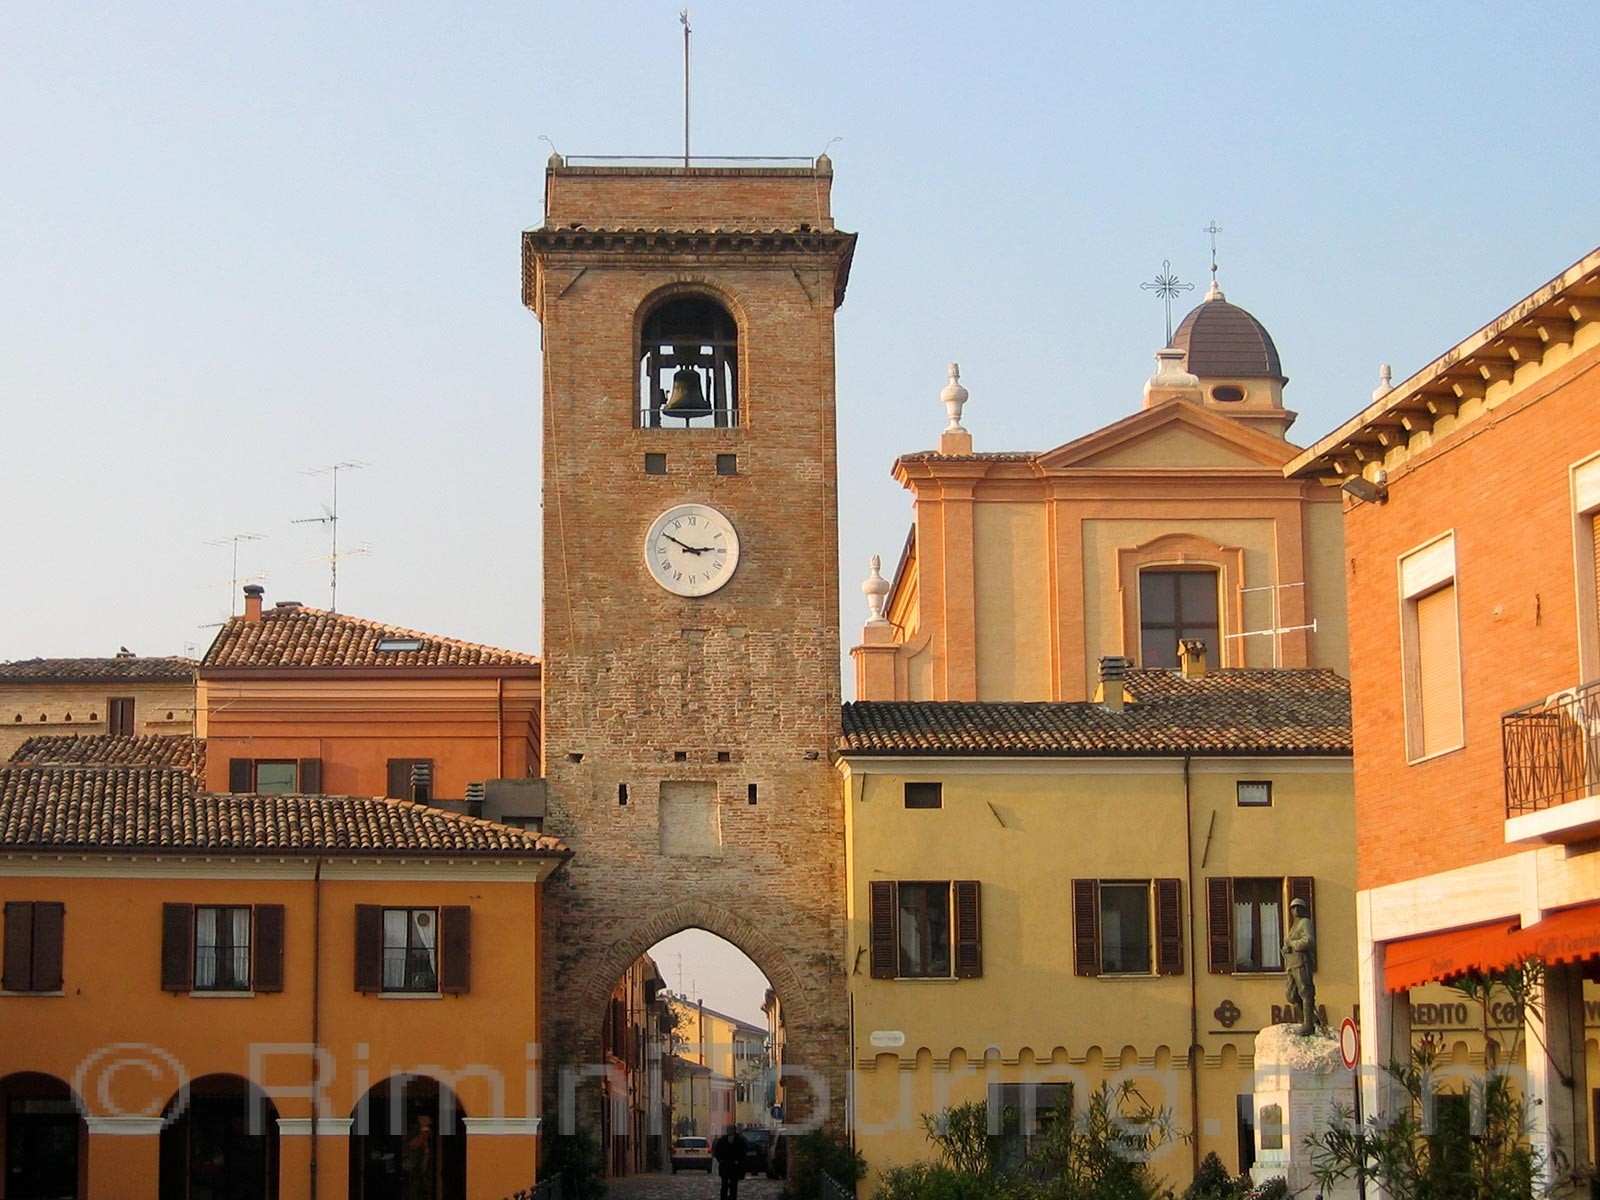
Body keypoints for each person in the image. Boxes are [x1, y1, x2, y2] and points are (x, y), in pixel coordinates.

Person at [1283, 896, 1318, 1036]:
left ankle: (1308, 1024)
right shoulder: (1293, 927)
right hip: (1291, 964)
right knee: (1291, 995)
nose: (1295, 910)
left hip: (1301, 961)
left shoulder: (1305, 922)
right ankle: (1312, 1018)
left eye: (1298, 907)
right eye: (1293, 908)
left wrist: (1293, 944)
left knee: (1305, 991)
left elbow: (1309, 940)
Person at [402, 1112, 435, 1200]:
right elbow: (412, 1145)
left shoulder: (430, 1135)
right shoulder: (414, 1132)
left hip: (425, 1170)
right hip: (414, 1168)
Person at [712, 1125, 749, 1200]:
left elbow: (743, 1152)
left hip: (734, 1166)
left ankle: (733, 1197)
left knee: (734, 1184)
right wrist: (720, 1160)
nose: (729, 1131)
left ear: (734, 1130)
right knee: (724, 1183)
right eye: (728, 1129)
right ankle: (723, 1197)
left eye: (731, 1129)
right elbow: (717, 1151)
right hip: (725, 1165)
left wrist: (739, 1161)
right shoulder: (723, 1139)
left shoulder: (739, 1140)